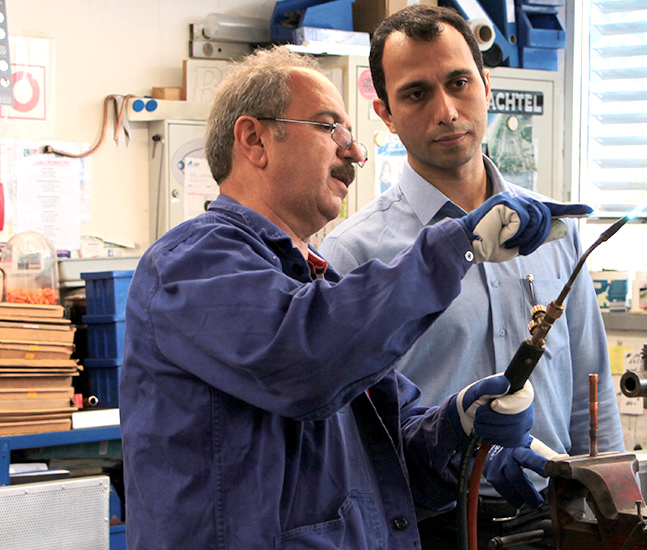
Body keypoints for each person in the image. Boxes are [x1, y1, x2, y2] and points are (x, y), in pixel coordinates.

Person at [119, 45, 588, 550]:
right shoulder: (192, 263)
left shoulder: (311, 283)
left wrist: (460, 427)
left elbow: (387, 452)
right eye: (329, 128)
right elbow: (304, 358)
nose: (356, 152)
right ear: (255, 139)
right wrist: (456, 245)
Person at [319, 5, 626, 546]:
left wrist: (616, 508)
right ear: (385, 114)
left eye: (459, 83)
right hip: (430, 526)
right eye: (416, 94)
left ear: (487, 87)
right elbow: (346, 434)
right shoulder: (357, 252)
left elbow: (590, 393)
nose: (446, 110)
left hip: (555, 518)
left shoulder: (554, 232)